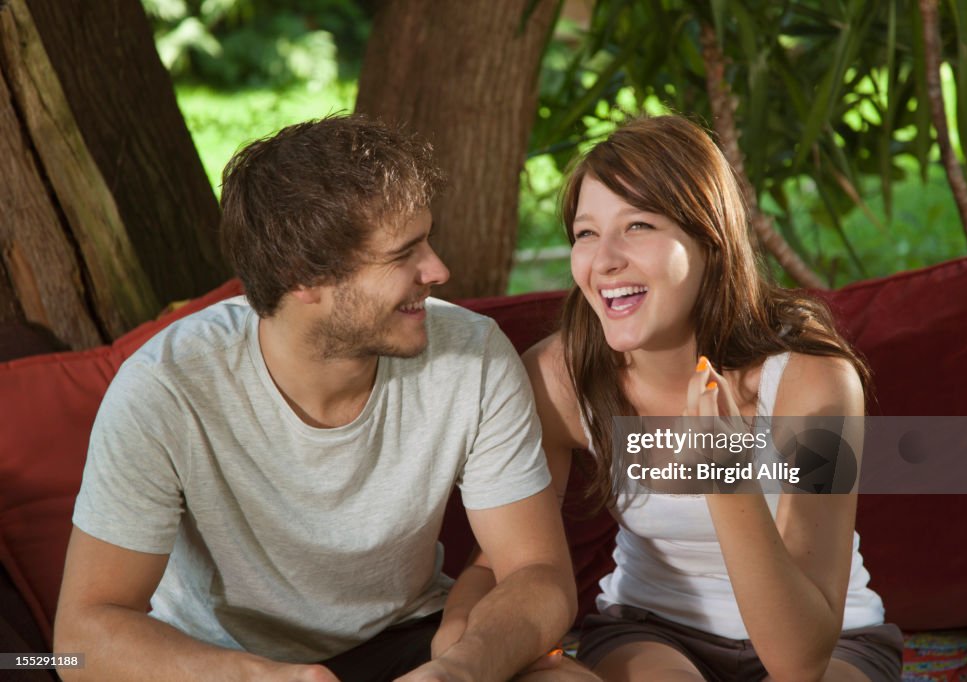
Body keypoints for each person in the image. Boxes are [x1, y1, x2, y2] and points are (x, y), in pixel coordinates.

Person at [53, 115, 585, 682]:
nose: (438, 270)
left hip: (410, 640)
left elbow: (540, 574)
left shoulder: (473, 356)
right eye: (404, 254)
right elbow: (78, 640)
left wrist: (460, 669)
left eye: (427, 240)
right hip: (218, 662)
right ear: (301, 276)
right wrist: (261, 678)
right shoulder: (165, 388)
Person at [521, 115, 903, 681]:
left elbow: (800, 661)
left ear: (710, 240)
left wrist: (726, 480)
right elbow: (519, 564)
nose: (604, 261)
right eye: (585, 233)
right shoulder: (559, 376)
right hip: (652, 630)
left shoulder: (814, 384)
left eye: (639, 225)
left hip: (829, 640)